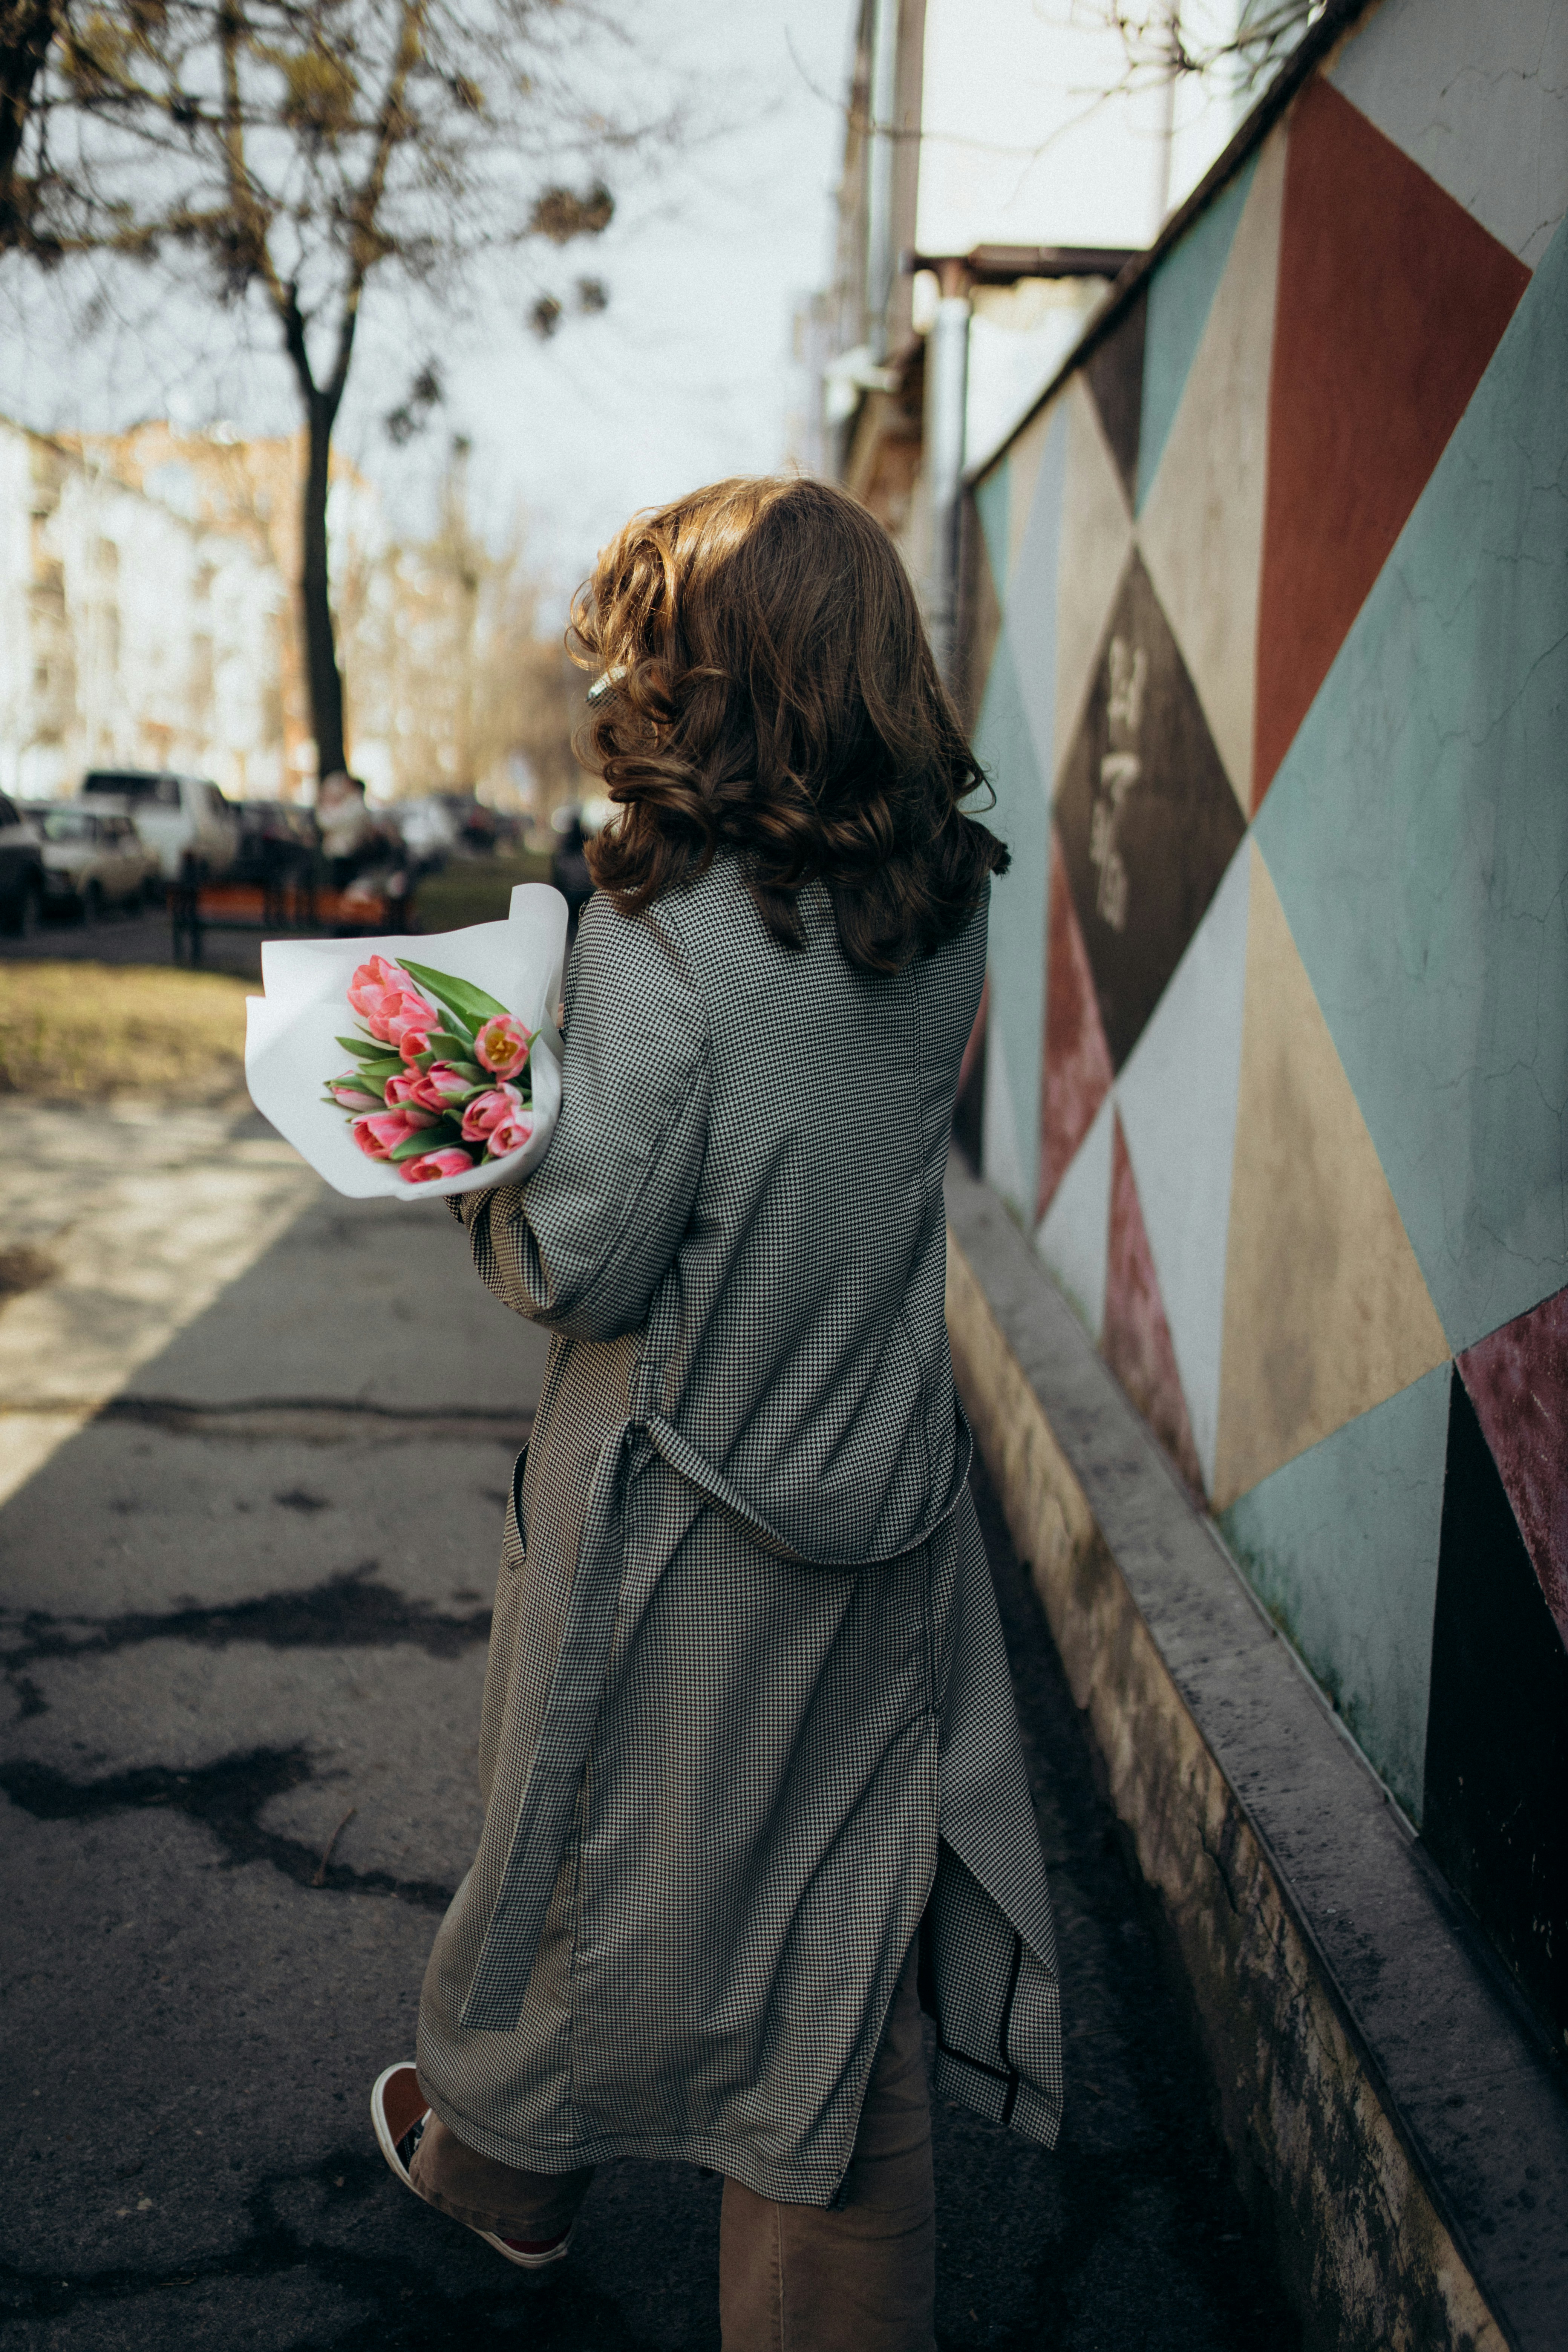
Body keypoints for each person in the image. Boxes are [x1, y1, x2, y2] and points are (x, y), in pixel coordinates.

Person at [371, 476, 1062, 2350]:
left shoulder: (662, 952)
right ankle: (507, 2178)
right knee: (830, 1984)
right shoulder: (939, 914)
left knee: (588, 1879)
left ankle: (501, 2173)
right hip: (879, 1519)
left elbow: (571, 1266)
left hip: (672, 1547)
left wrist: (474, 1130)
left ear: (707, 679)